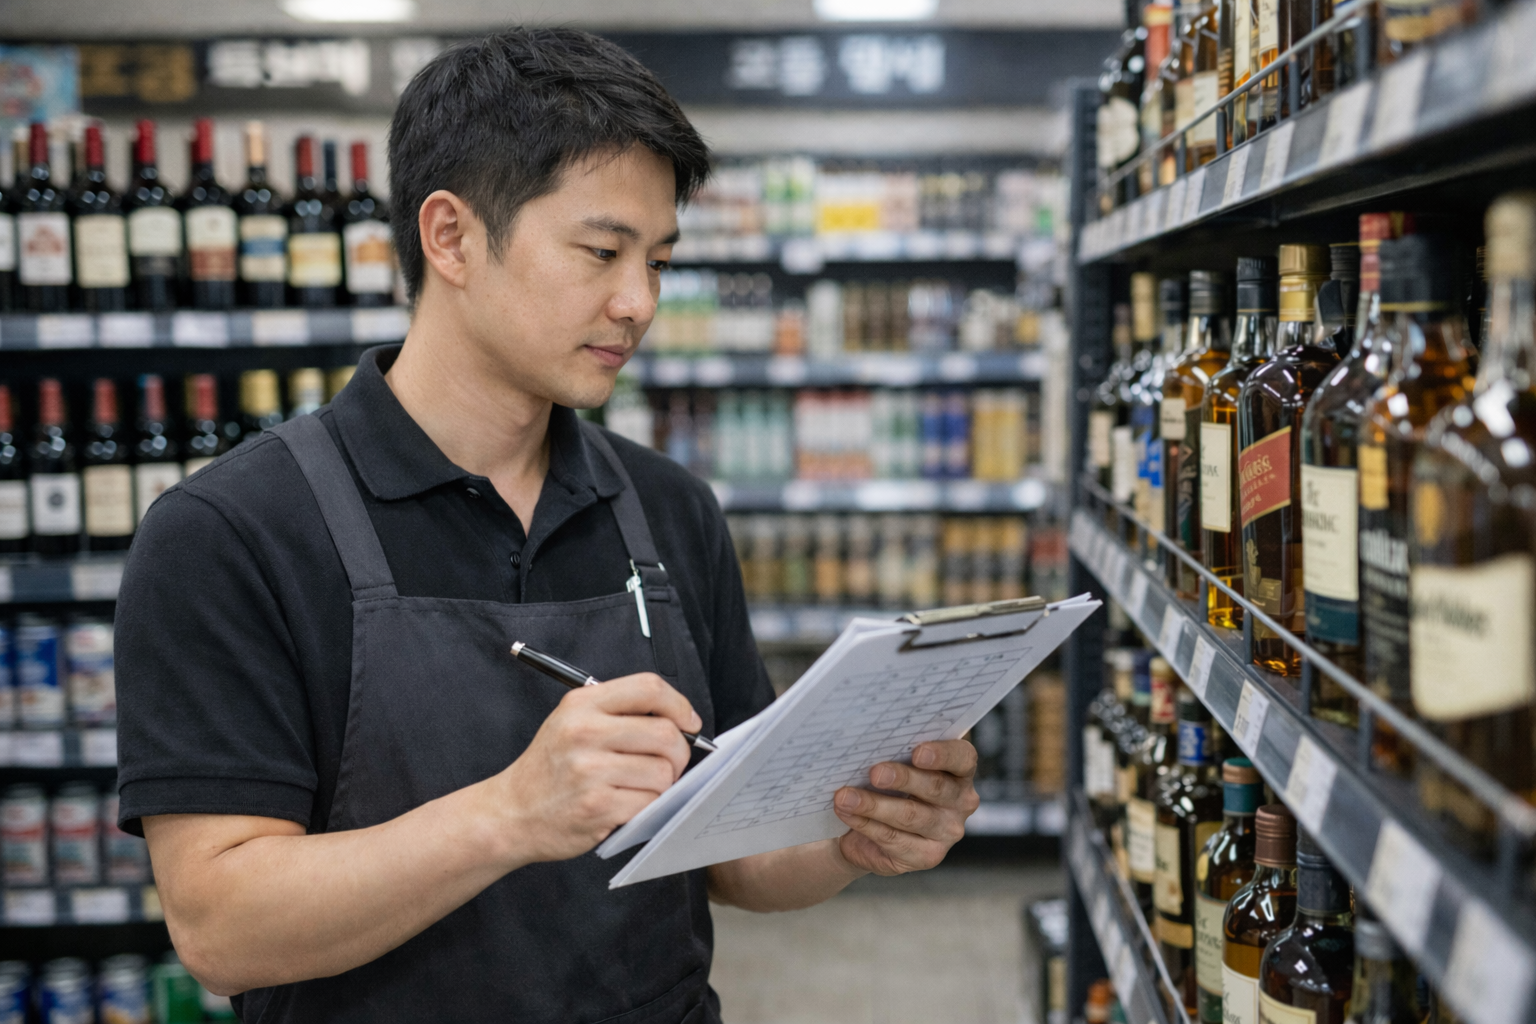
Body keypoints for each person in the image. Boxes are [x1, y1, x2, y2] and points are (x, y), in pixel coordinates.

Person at [115, 28, 980, 1024]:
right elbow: (222, 927)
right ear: (450, 238)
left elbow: (733, 854)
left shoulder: (668, 510)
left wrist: (852, 832)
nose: (639, 302)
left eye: (658, 261)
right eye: (602, 252)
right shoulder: (230, 533)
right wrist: (509, 813)